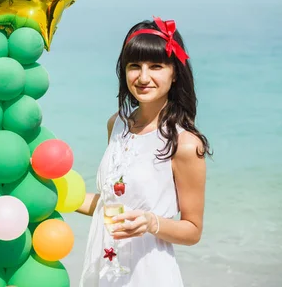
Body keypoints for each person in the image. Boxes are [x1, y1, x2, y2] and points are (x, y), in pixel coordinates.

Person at [77, 17, 211, 287]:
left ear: (175, 73)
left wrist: (151, 223)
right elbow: (110, 205)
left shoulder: (185, 144)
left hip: (149, 275)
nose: (143, 77)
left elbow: (193, 230)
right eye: (134, 66)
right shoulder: (116, 124)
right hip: (103, 270)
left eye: (156, 66)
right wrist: (54, 194)